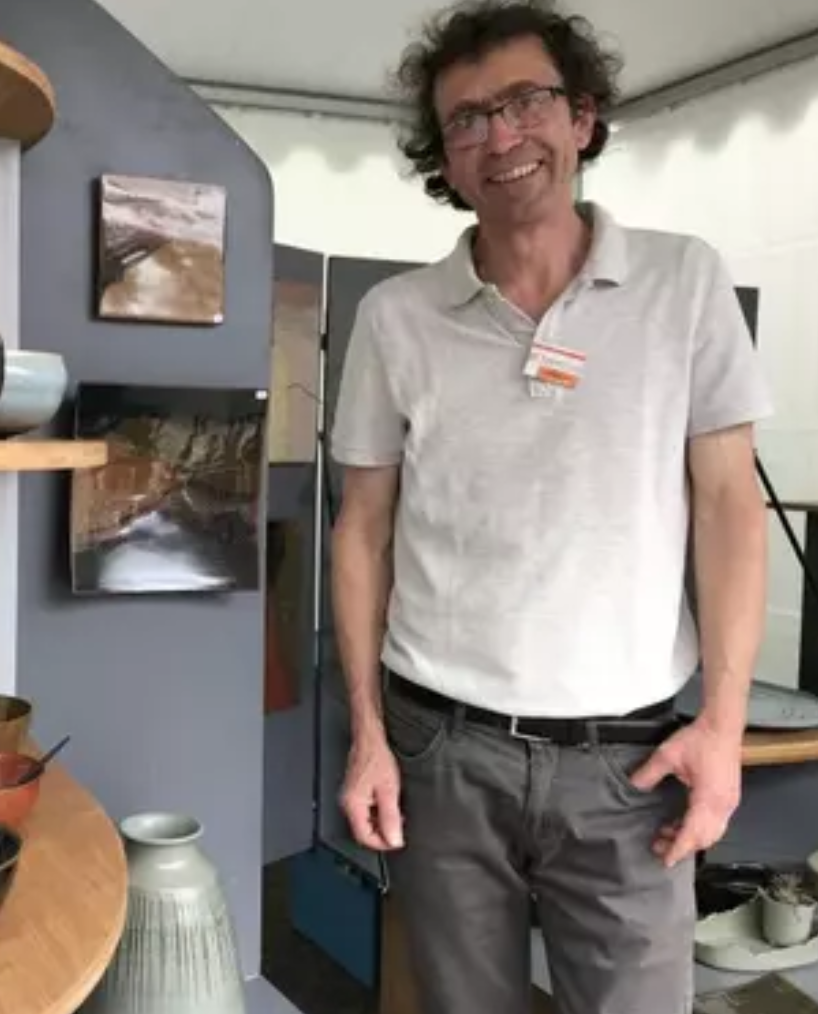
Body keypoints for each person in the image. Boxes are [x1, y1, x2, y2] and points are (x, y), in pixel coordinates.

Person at [327, 2, 772, 1012]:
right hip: (441, 750)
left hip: (630, 763)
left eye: (525, 102)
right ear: (443, 157)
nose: (500, 137)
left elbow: (729, 509)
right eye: (466, 120)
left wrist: (724, 730)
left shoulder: (682, 283)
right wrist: (367, 735)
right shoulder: (396, 318)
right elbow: (361, 532)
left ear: (582, 116)